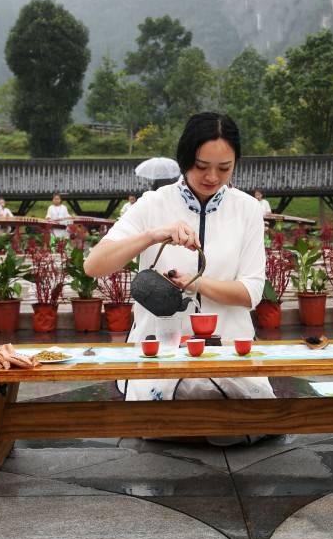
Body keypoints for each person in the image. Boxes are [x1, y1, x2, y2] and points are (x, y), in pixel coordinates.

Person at [85, 112, 275, 416]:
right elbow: (94, 266)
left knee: (238, 420)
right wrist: (152, 235)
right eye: (201, 166)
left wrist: (194, 282)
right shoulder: (152, 204)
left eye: (224, 168)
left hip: (228, 354)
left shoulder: (247, 209)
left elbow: (251, 293)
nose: (212, 177)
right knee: (173, 420)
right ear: (185, 159)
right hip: (159, 355)